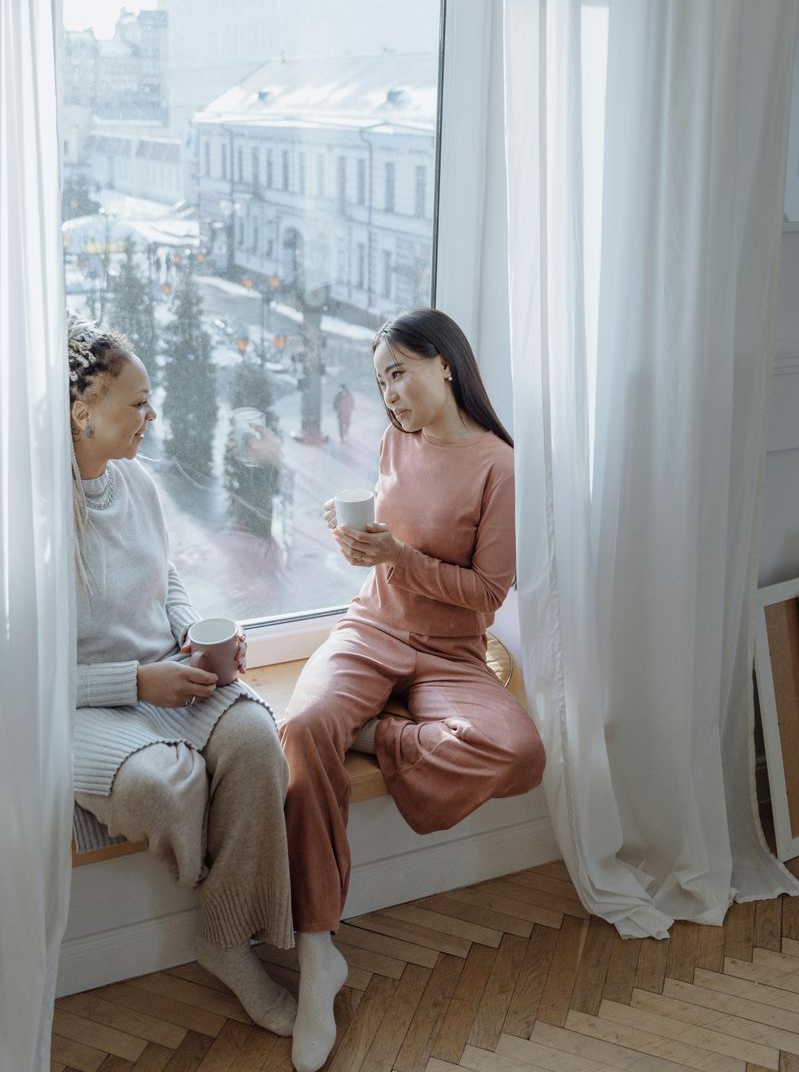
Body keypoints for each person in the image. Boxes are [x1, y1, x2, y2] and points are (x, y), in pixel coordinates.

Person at [280, 308, 547, 1072]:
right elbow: (384, 554)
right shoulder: (396, 439)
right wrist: (359, 544)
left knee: (520, 752)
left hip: (451, 653)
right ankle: (315, 953)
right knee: (302, 729)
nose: (389, 394)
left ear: (445, 365)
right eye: (379, 381)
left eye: (398, 372)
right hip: (371, 630)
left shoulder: (500, 467)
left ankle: (378, 735)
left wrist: (396, 555)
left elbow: (489, 593)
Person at [67, 313, 296, 1035]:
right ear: (83, 413)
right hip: (80, 707)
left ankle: (227, 940)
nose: (150, 415)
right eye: (135, 403)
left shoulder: (135, 484)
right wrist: (135, 686)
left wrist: (194, 640)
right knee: (170, 786)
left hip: (165, 676)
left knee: (258, 735)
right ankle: (223, 890)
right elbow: (17, 680)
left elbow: (166, 582)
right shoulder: (30, 523)